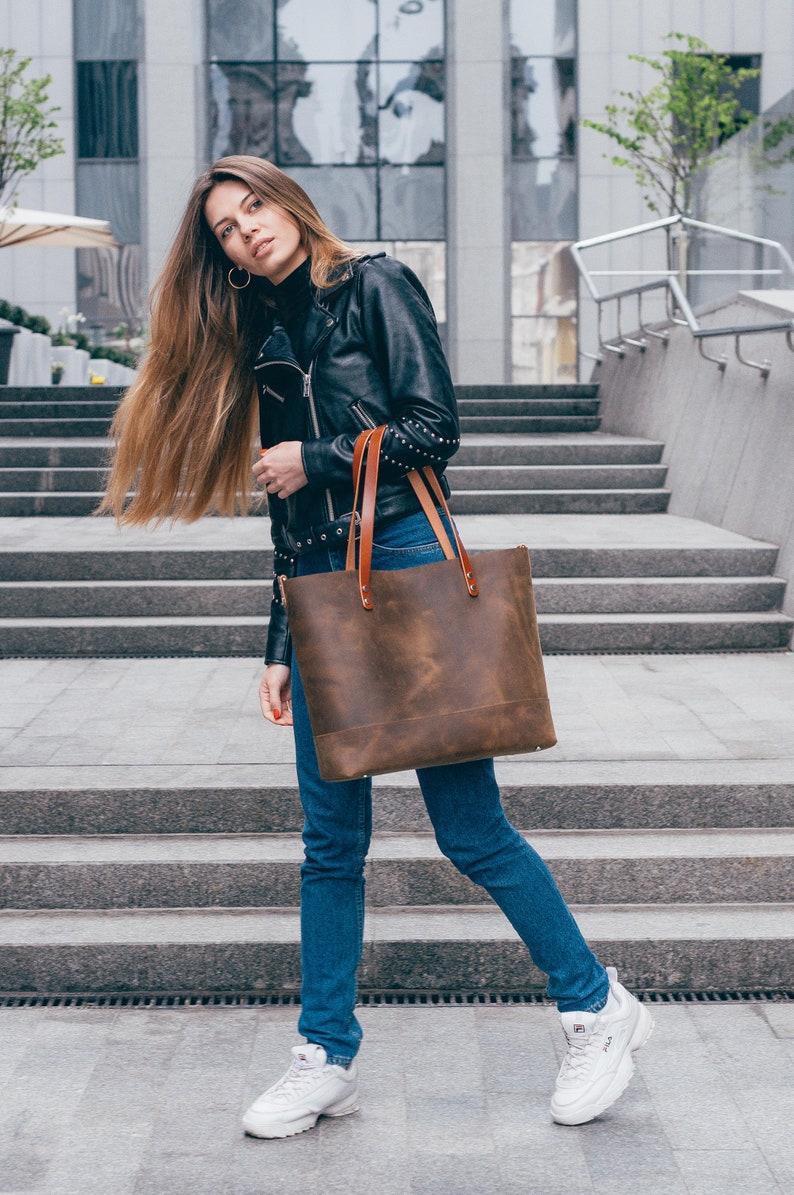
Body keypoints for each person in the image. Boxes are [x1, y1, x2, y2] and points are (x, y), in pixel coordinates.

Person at [101, 154, 653, 1139]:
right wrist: (277, 637)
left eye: (254, 208)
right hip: (315, 582)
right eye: (226, 229)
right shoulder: (263, 333)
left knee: (469, 829)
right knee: (329, 842)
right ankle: (325, 1054)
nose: (246, 231)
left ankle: (594, 1004)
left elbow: (436, 429)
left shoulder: (376, 284)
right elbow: (289, 511)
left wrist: (313, 454)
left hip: (402, 557)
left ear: (290, 204)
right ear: (221, 257)